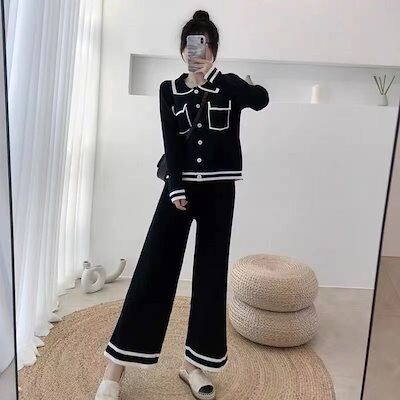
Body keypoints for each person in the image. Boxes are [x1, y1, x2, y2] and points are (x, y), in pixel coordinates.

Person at [95, 9, 269, 400]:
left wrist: (229, 81)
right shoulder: (169, 90)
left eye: (204, 47)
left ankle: (193, 365)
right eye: (191, 47)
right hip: (179, 190)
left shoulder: (228, 86)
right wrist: (175, 187)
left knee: (210, 275)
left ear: (214, 50)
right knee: (153, 268)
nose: (197, 54)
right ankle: (115, 367)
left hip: (220, 193)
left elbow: (261, 100)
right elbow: (171, 144)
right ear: (181, 51)